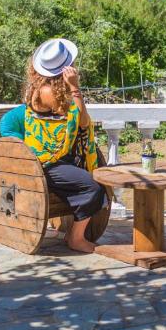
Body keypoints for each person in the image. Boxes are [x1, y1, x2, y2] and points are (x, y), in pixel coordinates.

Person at [21, 38, 106, 253]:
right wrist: (75, 87)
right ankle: (76, 238)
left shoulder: (46, 87)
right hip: (47, 164)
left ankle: (76, 229)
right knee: (93, 186)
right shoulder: (47, 92)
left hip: (58, 158)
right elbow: (83, 121)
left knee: (100, 178)